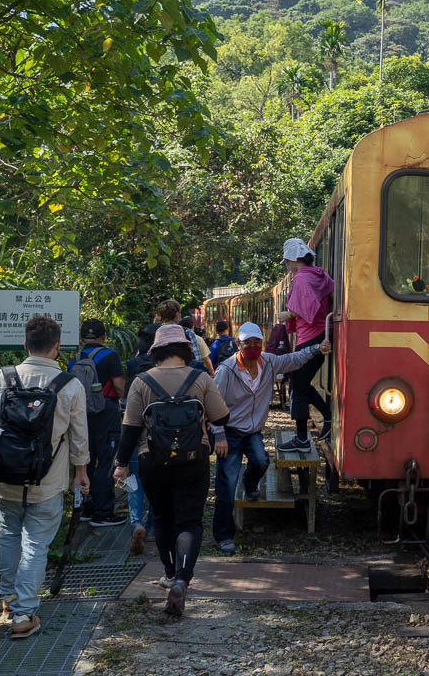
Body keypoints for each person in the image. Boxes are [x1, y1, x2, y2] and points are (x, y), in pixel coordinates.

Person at [0, 315, 90, 639]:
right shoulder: (70, 384)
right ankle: (23, 614)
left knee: (8, 533)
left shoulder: (1, 378)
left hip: (4, 476)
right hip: (47, 481)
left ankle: (8, 599)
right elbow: (79, 437)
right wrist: (81, 473)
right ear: (57, 347)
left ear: (25, 345)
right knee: (35, 543)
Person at [112, 324, 229, 617]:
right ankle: (183, 579)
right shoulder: (200, 378)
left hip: (153, 460)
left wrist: (121, 465)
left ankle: (168, 572)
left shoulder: (141, 381)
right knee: (189, 522)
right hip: (194, 460)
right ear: (186, 350)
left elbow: (130, 429)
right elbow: (222, 416)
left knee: (163, 519)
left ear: (156, 352)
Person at [210, 322, 327, 555]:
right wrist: (219, 435)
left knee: (262, 461)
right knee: (226, 486)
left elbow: (295, 358)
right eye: (247, 343)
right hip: (230, 433)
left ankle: (250, 484)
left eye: (256, 343)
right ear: (238, 344)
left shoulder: (270, 362)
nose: (252, 347)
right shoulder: (226, 370)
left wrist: (316, 349)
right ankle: (223, 536)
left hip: (252, 432)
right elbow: (213, 403)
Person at [277, 237, 334, 453]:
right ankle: (312, 428)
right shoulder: (319, 274)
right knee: (300, 384)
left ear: (292, 261)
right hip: (320, 333)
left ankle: (315, 427)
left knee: (298, 386)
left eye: (288, 264)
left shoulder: (301, 278)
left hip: (310, 336)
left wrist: (287, 314)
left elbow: (304, 309)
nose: (289, 268)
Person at [71, 319, 127, 527]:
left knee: (86, 460)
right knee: (106, 462)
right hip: (106, 412)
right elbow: (119, 386)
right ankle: (103, 513)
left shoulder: (74, 359)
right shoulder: (110, 355)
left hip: (81, 415)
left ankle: (87, 508)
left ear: (81, 338)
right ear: (104, 337)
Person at [122, 323, 160, 554]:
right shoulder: (162, 366)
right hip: (159, 435)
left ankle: (136, 523)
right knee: (156, 484)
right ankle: (154, 528)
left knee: (134, 483)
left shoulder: (132, 365)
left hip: (136, 431)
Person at [153, 300, 214, 376]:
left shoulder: (154, 332)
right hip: (185, 376)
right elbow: (196, 359)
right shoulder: (188, 332)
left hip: (158, 376)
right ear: (177, 314)